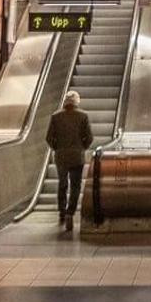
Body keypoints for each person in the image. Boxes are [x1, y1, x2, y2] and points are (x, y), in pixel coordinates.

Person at [45, 89, 93, 233]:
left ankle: (61, 210)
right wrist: (82, 148)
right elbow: (89, 137)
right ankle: (70, 212)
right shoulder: (83, 116)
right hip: (77, 157)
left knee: (63, 184)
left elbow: (48, 137)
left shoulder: (56, 116)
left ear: (65, 101)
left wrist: (57, 148)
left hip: (61, 156)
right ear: (77, 102)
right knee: (76, 185)